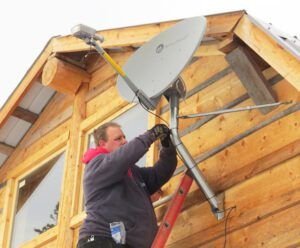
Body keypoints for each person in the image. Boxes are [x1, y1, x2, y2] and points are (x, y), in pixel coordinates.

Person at [77, 122, 177, 248]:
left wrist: (167, 145)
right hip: (100, 240)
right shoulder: (96, 165)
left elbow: (160, 173)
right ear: (103, 144)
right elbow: (122, 158)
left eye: (124, 137)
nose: (124, 141)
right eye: (118, 139)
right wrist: (150, 135)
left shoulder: (133, 173)